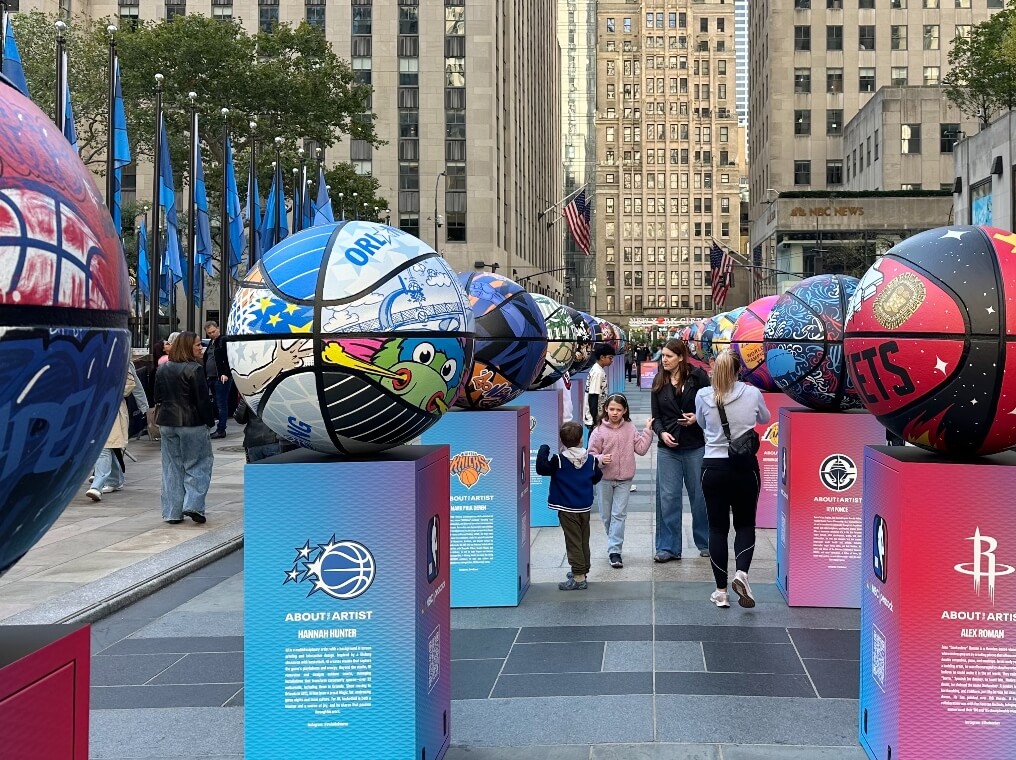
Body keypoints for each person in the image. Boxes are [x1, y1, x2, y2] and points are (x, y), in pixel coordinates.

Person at [695, 350, 770, 608]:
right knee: (745, 524)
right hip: (745, 466)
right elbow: (765, 418)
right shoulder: (752, 393)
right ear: (739, 370)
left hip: (713, 467)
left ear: (714, 369)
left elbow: (702, 424)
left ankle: (721, 592)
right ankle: (742, 574)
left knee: (717, 529)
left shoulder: (703, 395)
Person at [651, 338, 711, 562]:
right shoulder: (659, 380)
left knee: (700, 496)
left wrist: (697, 417)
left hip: (694, 445)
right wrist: (661, 433)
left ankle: (705, 542)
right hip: (668, 448)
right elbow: (656, 417)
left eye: (668, 356)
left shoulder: (698, 377)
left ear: (680, 357)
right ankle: (668, 547)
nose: (664, 360)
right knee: (668, 498)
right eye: (663, 356)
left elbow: (710, 407)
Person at [155, 331, 217, 525]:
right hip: (192, 423)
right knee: (198, 464)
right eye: (198, 344)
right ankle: (194, 505)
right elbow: (202, 401)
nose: (201, 348)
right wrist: (210, 422)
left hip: (167, 422)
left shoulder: (162, 368)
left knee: (172, 467)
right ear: (188, 346)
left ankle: (172, 512)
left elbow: (157, 397)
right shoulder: (195, 369)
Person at [587, 393, 654, 568]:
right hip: (604, 479)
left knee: (619, 515)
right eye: (611, 409)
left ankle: (614, 551)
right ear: (606, 409)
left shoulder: (630, 428)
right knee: (606, 516)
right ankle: (613, 543)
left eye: (618, 409)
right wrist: (600, 459)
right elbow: (590, 455)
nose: (615, 413)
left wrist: (648, 430)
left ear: (624, 411)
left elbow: (641, 449)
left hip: (625, 479)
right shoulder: (598, 431)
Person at [537, 421, 603, 590]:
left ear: (562, 441)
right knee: (583, 539)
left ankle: (579, 577)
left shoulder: (559, 460)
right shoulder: (591, 459)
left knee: (573, 541)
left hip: (566, 508)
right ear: (581, 439)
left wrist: (544, 449)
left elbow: (541, 469)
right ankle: (583, 569)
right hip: (584, 507)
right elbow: (597, 477)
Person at [85, 363, 137, 501]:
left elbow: (130, 385)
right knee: (109, 447)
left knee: (104, 447)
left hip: (112, 411)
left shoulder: (120, 364)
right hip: (95, 411)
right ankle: (115, 479)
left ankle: (97, 486)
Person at [203, 320, 232, 439]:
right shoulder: (212, 342)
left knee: (221, 403)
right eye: (209, 333)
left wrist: (226, 373)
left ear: (218, 329)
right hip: (212, 377)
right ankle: (220, 428)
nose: (212, 334)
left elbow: (230, 357)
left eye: (213, 331)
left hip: (221, 377)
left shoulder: (223, 340)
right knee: (217, 403)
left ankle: (221, 429)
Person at [234, 398, 282, 462]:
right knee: (274, 468)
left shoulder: (249, 395)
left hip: (253, 440)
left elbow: (240, 418)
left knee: (256, 467)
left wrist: (244, 399)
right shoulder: (277, 394)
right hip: (273, 439)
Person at [583, 344, 614, 437]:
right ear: (602, 357)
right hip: (595, 418)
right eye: (610, 358)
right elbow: (593, 396)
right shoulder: (598, 373)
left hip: (597, 417)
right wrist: (595, 420)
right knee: (594, 442)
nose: (612, 360)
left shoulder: (597, 370)